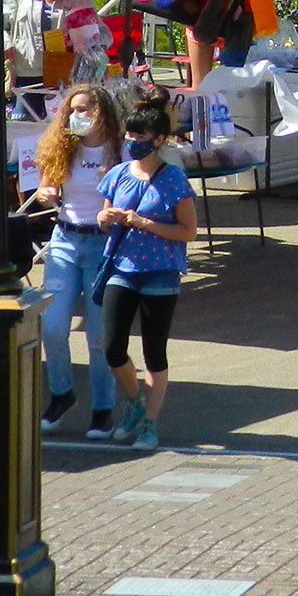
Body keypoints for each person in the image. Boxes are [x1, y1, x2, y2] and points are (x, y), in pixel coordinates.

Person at [97, 88, 198, 451]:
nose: (133, 142)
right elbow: (105, 218)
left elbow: (188, 231)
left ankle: (150, 423)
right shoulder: (120, 174)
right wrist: (105, 217)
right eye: (130, 135)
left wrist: (144, 223)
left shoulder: (173, 181)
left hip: (160, 272)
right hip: (122, 267)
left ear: (159, 140)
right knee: (111, 346)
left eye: (140, 137)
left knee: (155, 351)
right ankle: (135, 398)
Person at [31, 83, 125, 437]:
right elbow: (44, 188)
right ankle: (62, 391)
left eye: (84, 109)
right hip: (65, 241)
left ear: (102, 113)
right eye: (72, 109)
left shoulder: (120, 152)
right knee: (52, 325)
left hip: (104, 246)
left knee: (99, 336)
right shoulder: (61, 148)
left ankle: (103, 408)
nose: (76, 116)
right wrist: (45, 193)